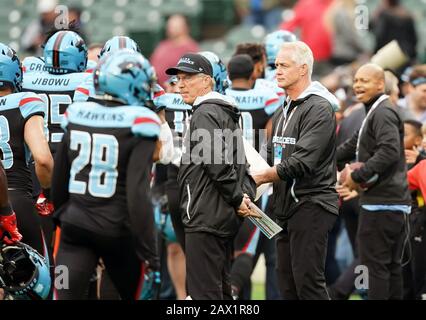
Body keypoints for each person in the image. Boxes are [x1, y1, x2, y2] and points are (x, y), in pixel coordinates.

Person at [52, 49, 161, 300]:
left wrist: (63, 219)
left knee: (64, 296)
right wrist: (150, 253)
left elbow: (59, 178)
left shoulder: (78, 113)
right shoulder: (140, 122)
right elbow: (137, 194)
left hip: (75, 226)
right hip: (117, 231)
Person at [252, 41, 339, 300]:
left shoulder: (319, 108)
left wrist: (261, 177)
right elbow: (270, 154)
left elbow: (303, 162)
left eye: (283, 65)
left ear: (303, 69)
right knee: (287, 284)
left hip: (311, 204)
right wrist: (245, 178)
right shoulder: (284, 108)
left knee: (308, 283)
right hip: (285, 207)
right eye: (276, 65)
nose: (276, 70)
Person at [166, 53, 257, 299]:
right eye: (178, 79)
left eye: (188, 78)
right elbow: (243, 164)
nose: (180, 84)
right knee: (221, 292)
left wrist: (238, 198)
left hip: (206, 216)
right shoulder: (222, 110)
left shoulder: (205, 112)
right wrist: (242, 196)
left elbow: (215, 162)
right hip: (218, 215)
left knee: (203, 294)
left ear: (207, 81)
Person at [337, 63, 411, 300]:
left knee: (374, 267)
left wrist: (356, 176)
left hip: (381, 204)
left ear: (381, 84)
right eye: (356, 80)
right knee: (390, 267)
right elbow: (351, 147)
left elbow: (388, 151)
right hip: (391, 203)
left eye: (365, 81)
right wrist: (318, 159)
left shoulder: (382, 111)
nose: (358, 85)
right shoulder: (374, 111)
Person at [0, 43, 53, 257]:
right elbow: (43, 159)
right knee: (38, 284)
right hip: (16, 199)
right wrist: (48, 194)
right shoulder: (25, 101)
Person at [151, 14, 199, 86]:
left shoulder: (191, 48)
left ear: (185, 28)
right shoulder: (162, 45)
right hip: (158, 89)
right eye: (170, 26)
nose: (171, 29)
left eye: (175, 26)